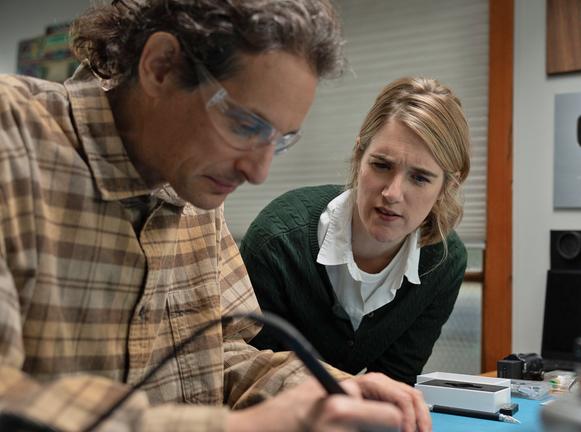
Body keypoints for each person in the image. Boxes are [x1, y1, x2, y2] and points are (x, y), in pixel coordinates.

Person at [0, 1, 430, 431]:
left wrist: (331, 393)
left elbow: (218, 356)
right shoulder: (13, 140)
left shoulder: (194, 183)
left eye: (279, 140)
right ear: (161, 67)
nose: (258, 172)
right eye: (245, 125)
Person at [240, 77, 471, 385]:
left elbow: (393, 381)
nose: (392, 193)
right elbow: (250, 375)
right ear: (359, 153)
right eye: (381, 165)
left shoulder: (443, 261)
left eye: (419, 178)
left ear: (449, 185)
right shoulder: (277, 241)